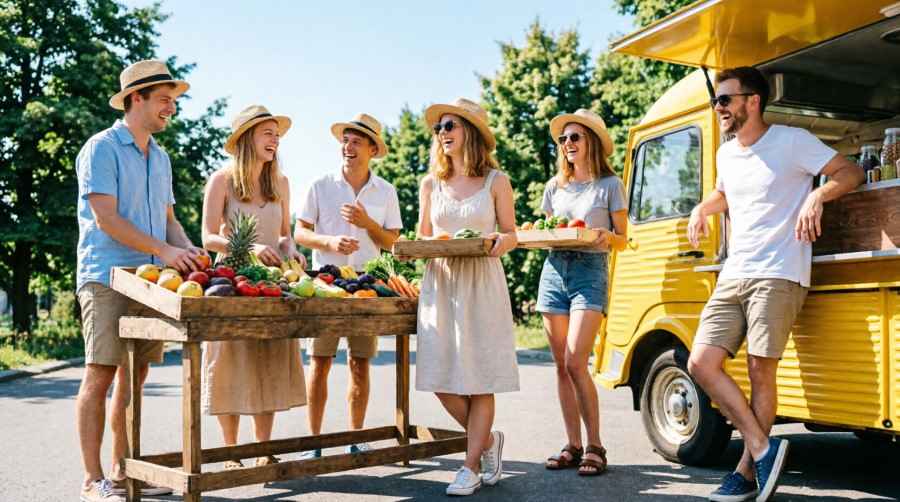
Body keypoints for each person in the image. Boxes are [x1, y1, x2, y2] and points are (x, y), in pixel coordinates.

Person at [685, 67, 864, 502]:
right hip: (735, 271)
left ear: (753, 101)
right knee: (700, 363)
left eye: (725, 100)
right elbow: (726, 193)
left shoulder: (792, 141)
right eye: (716, 101)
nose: (719, 108)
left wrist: (816, 195)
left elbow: (850, 172)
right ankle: (764, 448)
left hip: (780, 271)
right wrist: (702, 207)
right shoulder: (727, 153)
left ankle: (746, 473)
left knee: (759, 370)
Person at [75, 60, 205, 501]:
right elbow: (105, 217)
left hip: (154, 281)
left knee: (137, 376)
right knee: (101, 373)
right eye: (165, 100)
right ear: (137, 99)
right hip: (108, 276)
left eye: (174, 101)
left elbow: (169, 222)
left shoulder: (162, 157)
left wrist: (187, 251)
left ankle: (124, 469)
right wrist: (167, 251)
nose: (172, 108)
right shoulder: (102, 148)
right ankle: (94, 481)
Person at [415, 98, 520, 496]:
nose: (442, 133)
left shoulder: (497, 180)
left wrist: (499, 241)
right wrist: (425, 244)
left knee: (479, 379)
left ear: (469, 134)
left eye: (450, 126)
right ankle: (489, 441)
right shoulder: (430, 184)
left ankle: (470, 465)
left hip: (481, 283)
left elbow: (511, 233)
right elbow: (423, 235)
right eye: (439, 128)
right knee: (440, 377)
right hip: (440, 283)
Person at [201, 105, 308, 467]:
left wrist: (291, 248)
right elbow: (207, 237)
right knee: (231, 361)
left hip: (272, 282)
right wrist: (246, 247)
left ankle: (263, 449)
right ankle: (232, 452)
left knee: (268, 359)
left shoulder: (281, 183)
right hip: (231, 280)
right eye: (267, 132)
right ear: (247, 139)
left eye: (277, 134)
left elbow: (284, 237)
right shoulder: (222, 180)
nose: (275, 139)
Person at [294, 113, 402, 456]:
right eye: (345, 139)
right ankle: (315, 440)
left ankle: (356, 437)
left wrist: (367, 222)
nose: (348, 146)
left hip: (367, 289)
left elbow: (392, 242)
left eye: (357, 141)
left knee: (360, 363)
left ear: (372, 149)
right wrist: (328, 243)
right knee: (320, 362)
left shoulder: (386, 191)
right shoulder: (320, 185)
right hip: (326, 287)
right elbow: (300, 232)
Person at [538, 109, 627, 476]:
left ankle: (596, 446)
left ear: (590, 140)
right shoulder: (554, 187)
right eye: (563, 139)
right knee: (561, 365)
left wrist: (608, 237)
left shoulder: (609, 185)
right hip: (554, 271)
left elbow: (624, 238)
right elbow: (546, 228)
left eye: (575, 137)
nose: (568, 144)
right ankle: (572, 445)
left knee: (576, 361)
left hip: (590, 272)